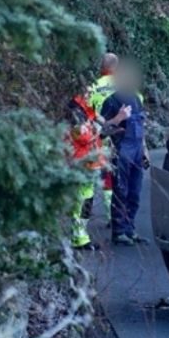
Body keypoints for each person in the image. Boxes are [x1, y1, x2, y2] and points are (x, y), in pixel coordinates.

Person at [99, 59, 150, 246]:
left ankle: (130, 229)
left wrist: (145, 150)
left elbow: (141, 126)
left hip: (136, 149)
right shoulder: (111, 101)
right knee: (121, 191)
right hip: (121, 150)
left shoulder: (136, 99)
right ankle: (119, 231)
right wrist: (118, 118)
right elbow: (101, 129)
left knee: (135, 192)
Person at [65, 92, 111, 251]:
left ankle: (80, 235)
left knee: (86, 200)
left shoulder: (87, 110)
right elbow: (84, 137)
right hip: (82, 162)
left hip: (90, 162)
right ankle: (78, 237)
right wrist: (99, 128)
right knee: (81, 201)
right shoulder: (76, 111)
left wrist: (101, 125)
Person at [88, 53, 120, 219]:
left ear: (101, 67)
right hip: (119, 137)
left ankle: (83, 217)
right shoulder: (124, 86)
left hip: (96, 137)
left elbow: (86, 112)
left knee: (90, 179)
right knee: (112, 177)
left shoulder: (93, 87)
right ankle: (112, 216)